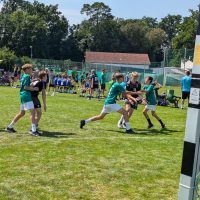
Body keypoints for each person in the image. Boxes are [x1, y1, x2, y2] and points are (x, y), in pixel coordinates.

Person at [6, 64, 39, 136]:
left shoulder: (24, 76)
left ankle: (9, 127)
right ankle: (33, 130)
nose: (31, 70)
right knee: (33, 113)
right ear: (26, 70)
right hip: (26, 96)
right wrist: (34, 88)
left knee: (22, 113)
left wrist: (32, 82)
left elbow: (25, 85)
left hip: (22, 96)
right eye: (30, 69)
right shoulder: (27, 76)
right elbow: (26, 87)